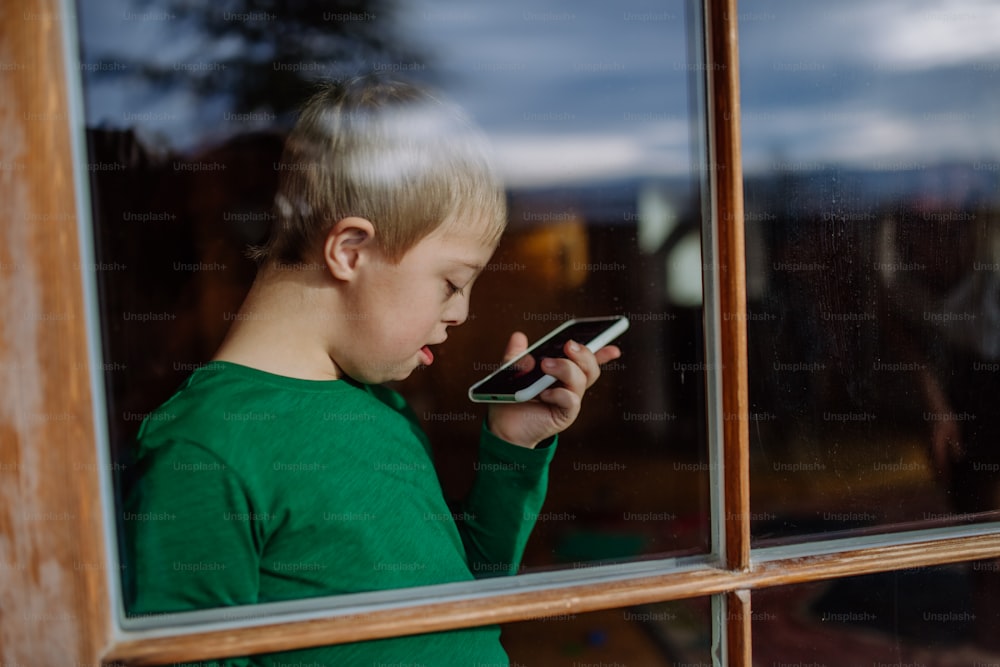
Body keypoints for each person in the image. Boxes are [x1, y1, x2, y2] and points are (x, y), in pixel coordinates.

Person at [122, 75, 622, 665]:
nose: (461, 312)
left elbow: (460, 598)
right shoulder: (202, 452)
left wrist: (510, 451)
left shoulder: (382, 407)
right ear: (350, 250)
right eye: (452, 283)